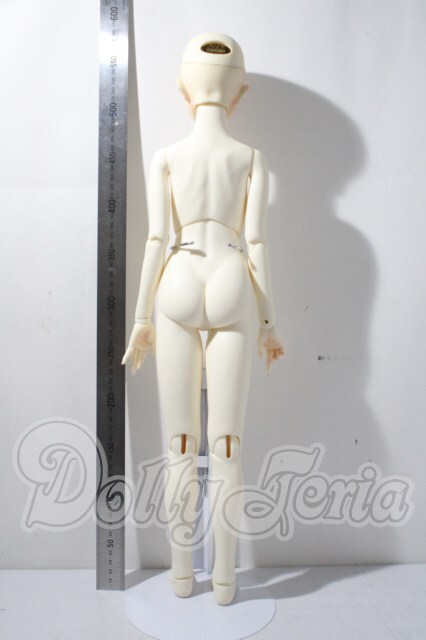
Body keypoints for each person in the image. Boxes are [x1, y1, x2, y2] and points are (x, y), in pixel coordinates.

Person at [122, 32, 284, 605]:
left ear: (183, 90)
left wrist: (141, 317)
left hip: (179, 276)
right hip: (233, 276)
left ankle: (181, 576)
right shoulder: (251, 159)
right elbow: (257, 242)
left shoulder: (167, 157)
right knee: (229, 443)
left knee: (179, 441)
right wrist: (269, 323)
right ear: (239, 94)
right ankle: (225, 583)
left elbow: (155, 238)